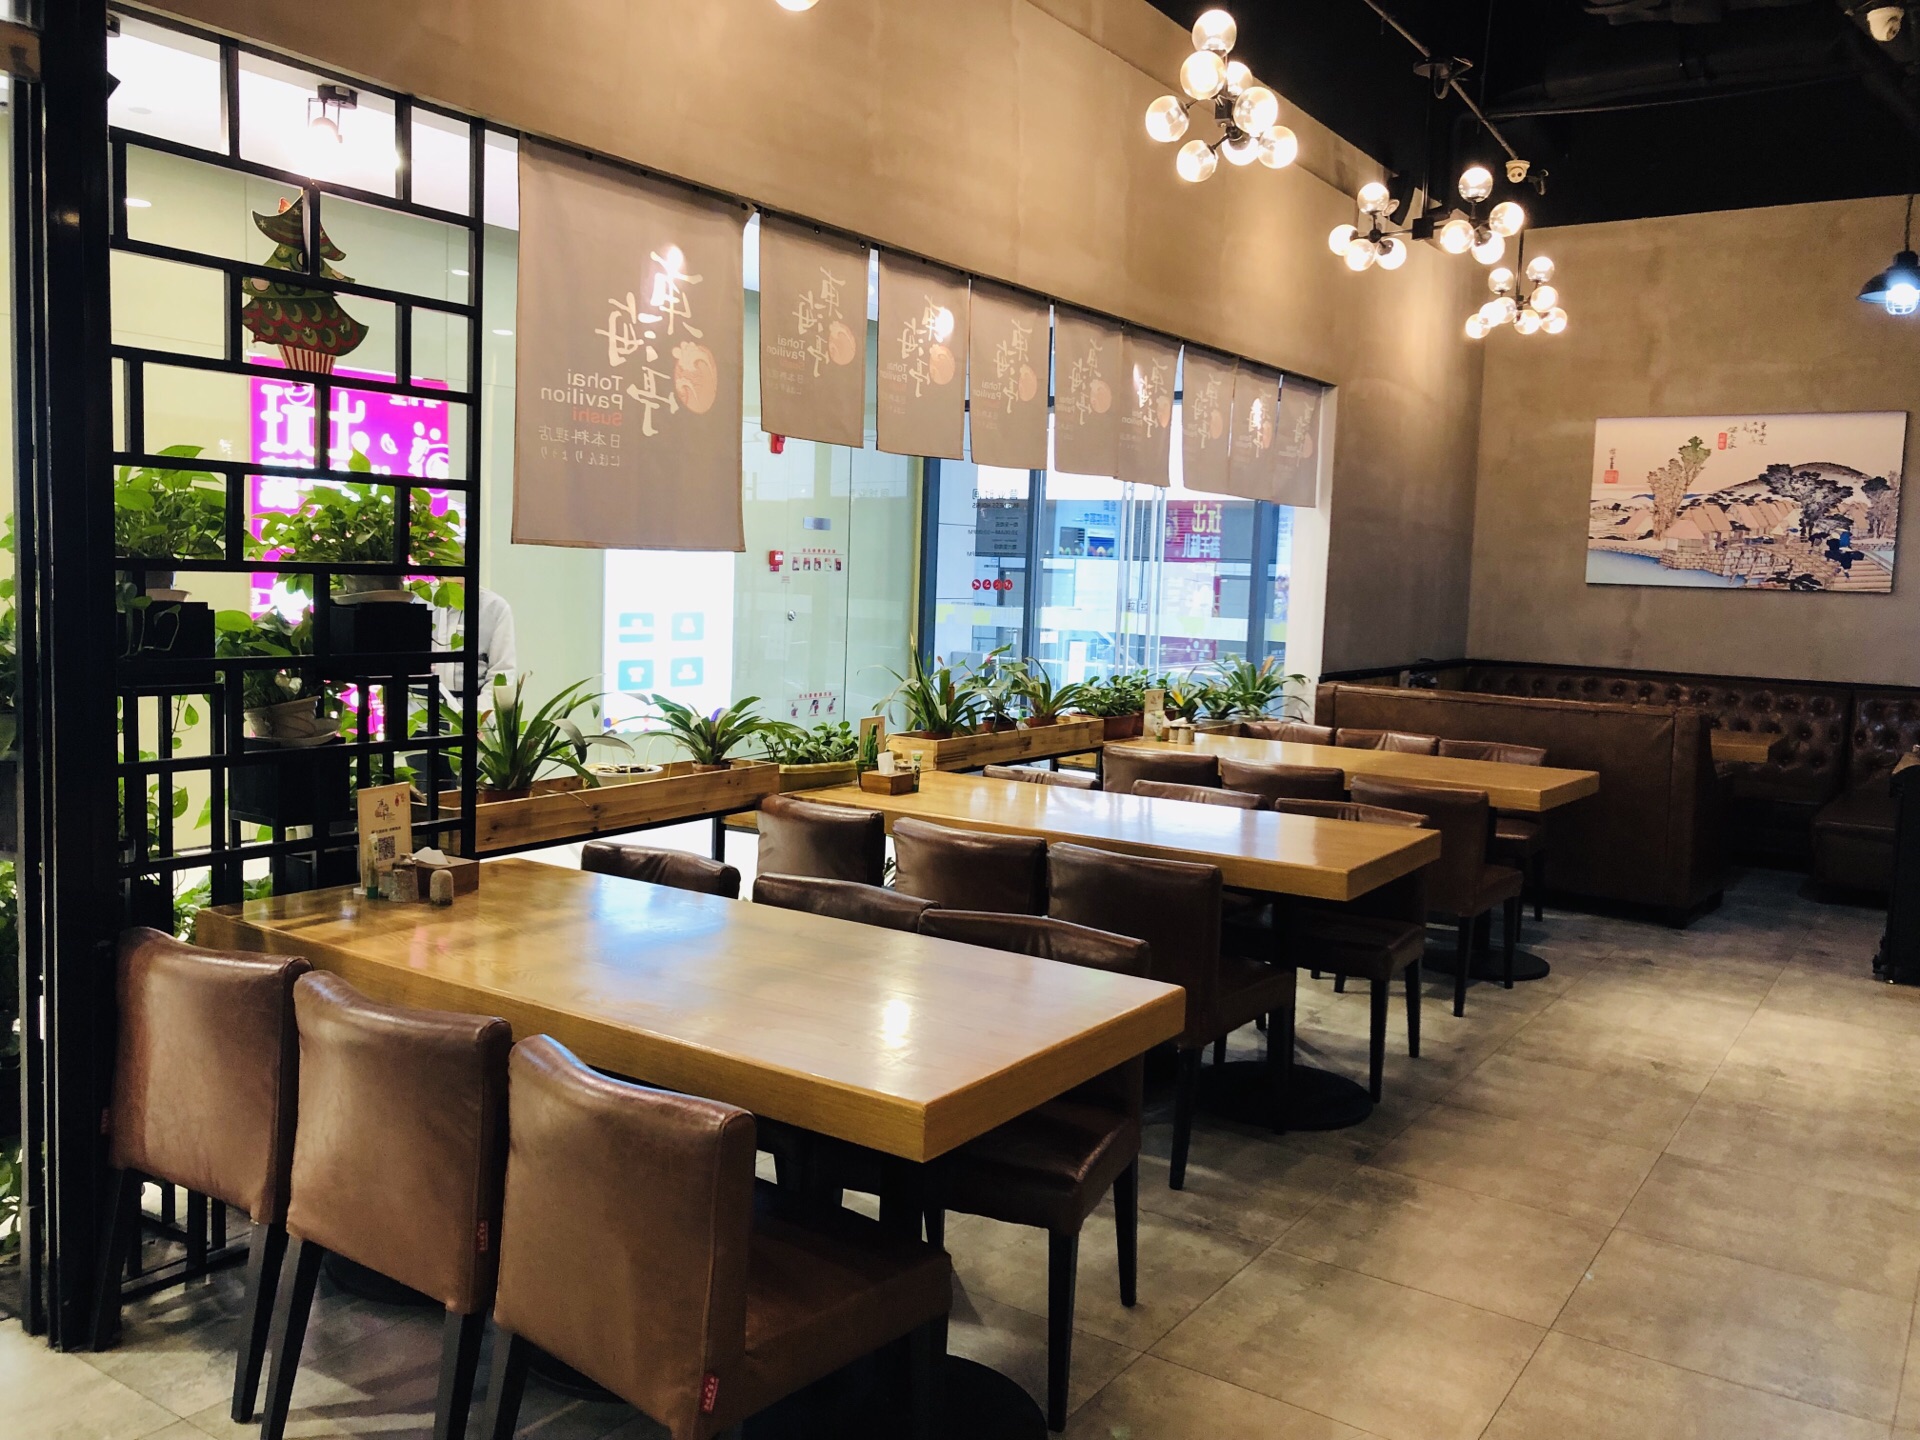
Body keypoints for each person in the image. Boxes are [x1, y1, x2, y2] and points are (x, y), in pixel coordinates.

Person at [432, 586, 516, 702]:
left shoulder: (494, 607)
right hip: (418, 706)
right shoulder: (420, 599)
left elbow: (502, 673)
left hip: (473, 707)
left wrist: (477, 710)